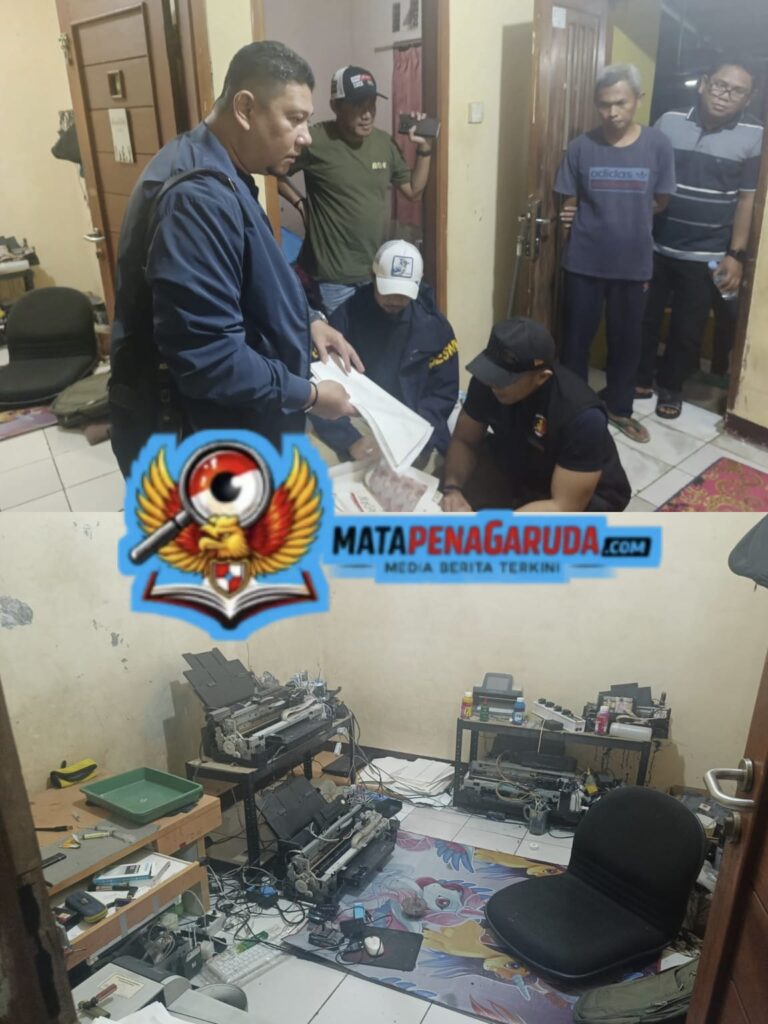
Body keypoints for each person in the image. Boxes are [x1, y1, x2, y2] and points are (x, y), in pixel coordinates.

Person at [109, 41, 362, 478]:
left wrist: (308, 320)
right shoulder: (197, 199)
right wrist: (311, 397)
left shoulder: (220, 168)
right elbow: (211, 358)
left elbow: (248, 279)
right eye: (294, 119)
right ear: (245, 108)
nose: (305, 136)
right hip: (199, 441)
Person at [555, 63, 676, 445]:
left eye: (621, 103)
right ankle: (575, 408)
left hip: (633, 263)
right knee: (576, 340)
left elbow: (661, 200)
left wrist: (627, 214)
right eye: (604, 104)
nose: (612, 112)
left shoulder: (658, 145)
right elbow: (569, 201)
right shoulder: (581, 147)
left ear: (638, 99)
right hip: (584, 261)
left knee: (627, 341)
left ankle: (620, 408)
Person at [637, 59, 763, 419]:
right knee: (644, 317)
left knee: (688, 329)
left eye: (737, 91)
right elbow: (647, 176)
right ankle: (640, 378)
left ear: (748, 98)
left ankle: (671, 387)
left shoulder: (754, 135)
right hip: (655, 246)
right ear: (704, 83)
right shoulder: (669, 121)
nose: (725, 95)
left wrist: (736, 254)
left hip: (706, 253)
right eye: (720, 85)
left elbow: (747, 199)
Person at [278, 65, 435, 314]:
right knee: (342, 337)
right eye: (358, 106)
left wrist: (424, 148)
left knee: (371, 335)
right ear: (336, 106)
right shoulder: (315, 140)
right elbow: (273, 171)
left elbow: (413, 191)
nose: (367, 114)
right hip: (333, 278)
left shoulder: (383, 143)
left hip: (374, 271)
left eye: (371, 105)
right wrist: (299, 203)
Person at [441, 318, 630, 513]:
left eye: (504, 380)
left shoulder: (582, 416)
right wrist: (453, 489)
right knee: (453, 487)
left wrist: (502, 526)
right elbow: (465, 440)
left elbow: (563, 506)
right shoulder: (488, 382)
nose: (493, 384)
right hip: (527, 462)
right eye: (492, 373)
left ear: (542, 377)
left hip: (580, 493)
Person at [311, 240, 459, 463]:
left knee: (423, 476)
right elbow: (321, 379)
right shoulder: (347, 317)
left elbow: (442, 393)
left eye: (404, 293)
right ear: (373, 277)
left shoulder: (434, 328)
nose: (395, 300)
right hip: (359, 417)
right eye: (388, 290)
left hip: (413, 423)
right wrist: (350, 440)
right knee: (317, 466)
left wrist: (414, 436)